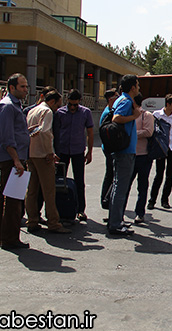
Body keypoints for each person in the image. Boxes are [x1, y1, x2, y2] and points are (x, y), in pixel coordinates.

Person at [0, 73, 30, 250]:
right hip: (12, 160)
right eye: (22, 86)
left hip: (15, 158)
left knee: (5, 198)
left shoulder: (15, 106)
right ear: (12, 88)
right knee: (14, 201)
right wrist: (16, 160)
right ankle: (9, 239)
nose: (25, 89)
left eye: (26, 86)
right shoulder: (8, 107)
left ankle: (0, 235)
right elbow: (7, 138)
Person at [25, 90, 71, 234]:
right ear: (52, 102)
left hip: (31, 154)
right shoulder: (47, 112)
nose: (58, 108)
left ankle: (32, 220)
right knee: (49, 191)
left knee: (31, 190)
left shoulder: (32, 110)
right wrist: (49, 152)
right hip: (42, 155)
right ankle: (53, 223)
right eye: (58, 104)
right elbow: (45, 132)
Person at [53, 89, 94, 221]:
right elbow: (54, 133)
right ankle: (57, 208)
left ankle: (80, 209)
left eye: (75, 105)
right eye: (70, 104)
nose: (72, 107)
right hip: (62, 151)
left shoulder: (85, 113)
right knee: (59, 180)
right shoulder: (60, 113)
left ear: (79, 102)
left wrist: (90, 152)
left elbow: (90, 132)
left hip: (78, 151)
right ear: (67, 101)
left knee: (79, 181)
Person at [108, 75, 141, 236]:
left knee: (118, 185)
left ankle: (116, 219)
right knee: (121, 187)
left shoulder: (122, 99)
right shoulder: (126, 101)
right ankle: (115, 224)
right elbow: (117, 118)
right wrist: (134, 117)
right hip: (125, 150)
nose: (139, 87)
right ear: (132, 87)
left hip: (123, 149)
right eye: (137, 84)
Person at [148, 93, 172, 210]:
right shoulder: (157, 115)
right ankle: (152, 200)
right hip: (161, 148)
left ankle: (165, 200)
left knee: (170, 175)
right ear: (168, 104)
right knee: (159, 174)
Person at [127, 93, 154, 224]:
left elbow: (149, 132)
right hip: (129, 155)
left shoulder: (146, 115)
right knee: (125, 185)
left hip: (144, 156)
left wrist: (132, 134)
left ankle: (140, 213)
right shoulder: (128, 115)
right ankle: (119, 212)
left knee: (142, 186)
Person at [100, 89, 119, 209]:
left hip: (109, 148)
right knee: (110, 174)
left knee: (110, 174)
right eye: (116, 97)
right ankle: (105, 200)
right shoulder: (108, 113)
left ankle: (106, 199)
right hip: (109, 149)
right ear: (111, 100)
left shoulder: (111, 111)